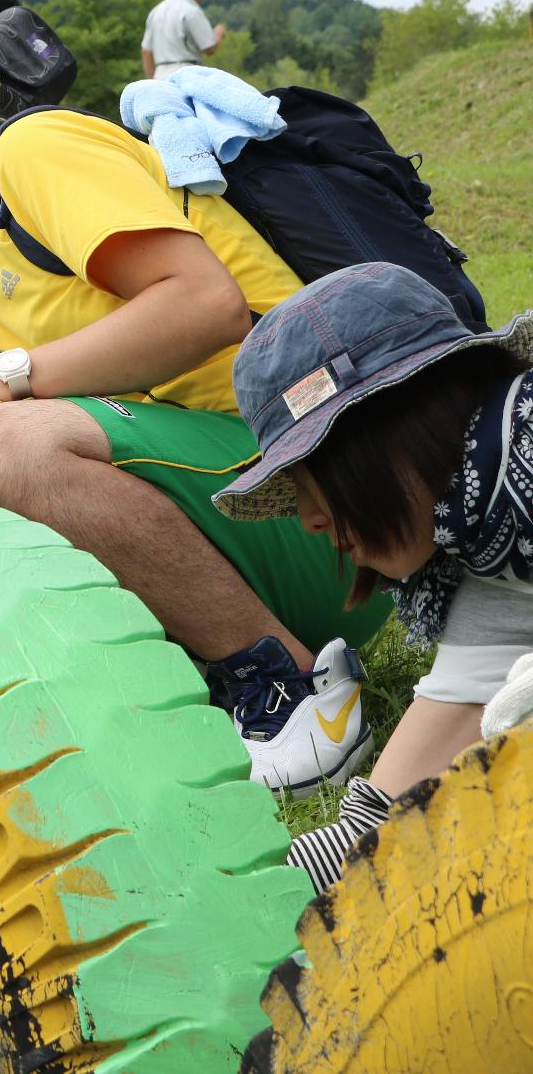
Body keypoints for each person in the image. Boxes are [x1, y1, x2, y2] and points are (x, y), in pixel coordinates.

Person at [0, 8, 386, 791]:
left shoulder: (31, 151)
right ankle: (172, 677)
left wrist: (0, 381)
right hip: (242, 520)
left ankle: (290, 685)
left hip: (332, 491)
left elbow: (209, 305)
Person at [211, 264, 533, 888]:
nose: (307, 518)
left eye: (311, 474)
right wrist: (250, 901)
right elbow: (382, 826)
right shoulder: (496, 564)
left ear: (395, 432)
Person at [141, 0, 226, 80]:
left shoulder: (156, 11)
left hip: (160, 75)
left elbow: (146, 51)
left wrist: (152, 80)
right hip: (187, 75)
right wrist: (218, 34)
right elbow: (209, 49)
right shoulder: (191, 10)